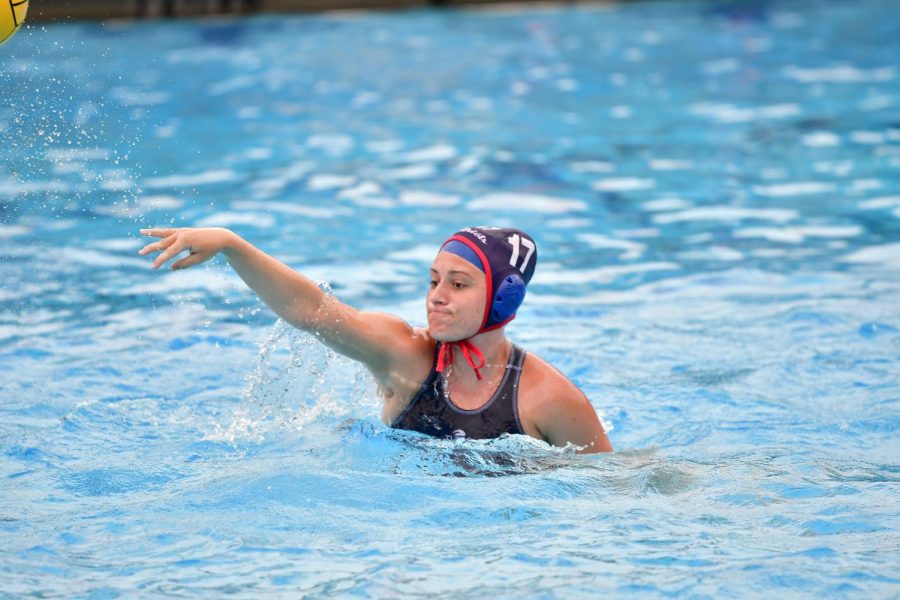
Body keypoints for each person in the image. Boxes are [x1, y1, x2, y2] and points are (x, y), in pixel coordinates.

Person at [138, 226, 613, 454]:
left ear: (504, 300)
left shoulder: (547, 398)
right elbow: (312, 312)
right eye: (433, 281)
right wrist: (230, 244)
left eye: (459, 284)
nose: (436, 298)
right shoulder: (404, 354)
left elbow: (609, 485)